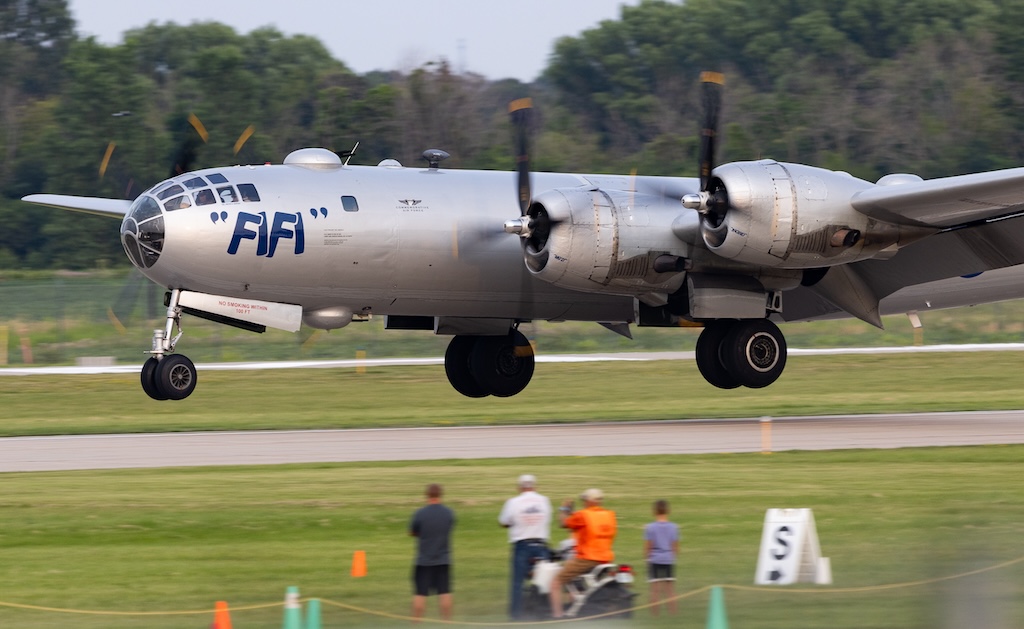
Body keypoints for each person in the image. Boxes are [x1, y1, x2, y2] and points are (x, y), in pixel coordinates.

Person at [549, 488, 617, 618]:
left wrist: (564, 509)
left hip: (587, 558)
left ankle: (557, 616)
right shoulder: (609, 515)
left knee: (556, 582)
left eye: (583, 500)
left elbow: (564, 523)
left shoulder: (583, 515)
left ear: (587, 501)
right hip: (606, 558)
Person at [498, 473, 552, 620]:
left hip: (522, 545)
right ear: (535, 486)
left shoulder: (514, 502)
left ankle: (516, 615)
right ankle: (544, 612)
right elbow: (547, 520)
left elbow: (503, 521)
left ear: (520, 487)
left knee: (517, 583)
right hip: (541, 545)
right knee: (544, 582)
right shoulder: (544, 501)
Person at [409, 483, 455, 621]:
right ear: (441, 495)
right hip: (443, 559)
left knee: (420, 594)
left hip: (424, 560)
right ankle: (447, 623)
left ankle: (416, 623)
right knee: (445, 592)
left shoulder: (420, 513)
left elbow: (412, 532)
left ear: (427, 496)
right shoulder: (449, 513)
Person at [644, 499, 680, 615]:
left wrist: (647, 558)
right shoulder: (674, 527)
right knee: (670, 589)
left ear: (654, 511)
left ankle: (655, 615)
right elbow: (675, 546)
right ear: (668, 511)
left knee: (655, 590)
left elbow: (648, 546)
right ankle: (673, 613)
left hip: (654, 559)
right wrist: (673, 557)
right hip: (668, 558)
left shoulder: (650, 527)